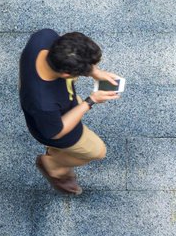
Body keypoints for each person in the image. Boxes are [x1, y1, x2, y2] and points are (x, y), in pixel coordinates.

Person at [19, 29, 120, 195]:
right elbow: (56, 132)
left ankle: (55, 154)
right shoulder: (43, 102)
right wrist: (91, 101)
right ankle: (53, 166)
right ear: (66, 73)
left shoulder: (44, 37)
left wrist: (95, 73)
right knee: (98, 151)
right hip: (53, 128)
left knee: (75, 105)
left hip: (56, 109)